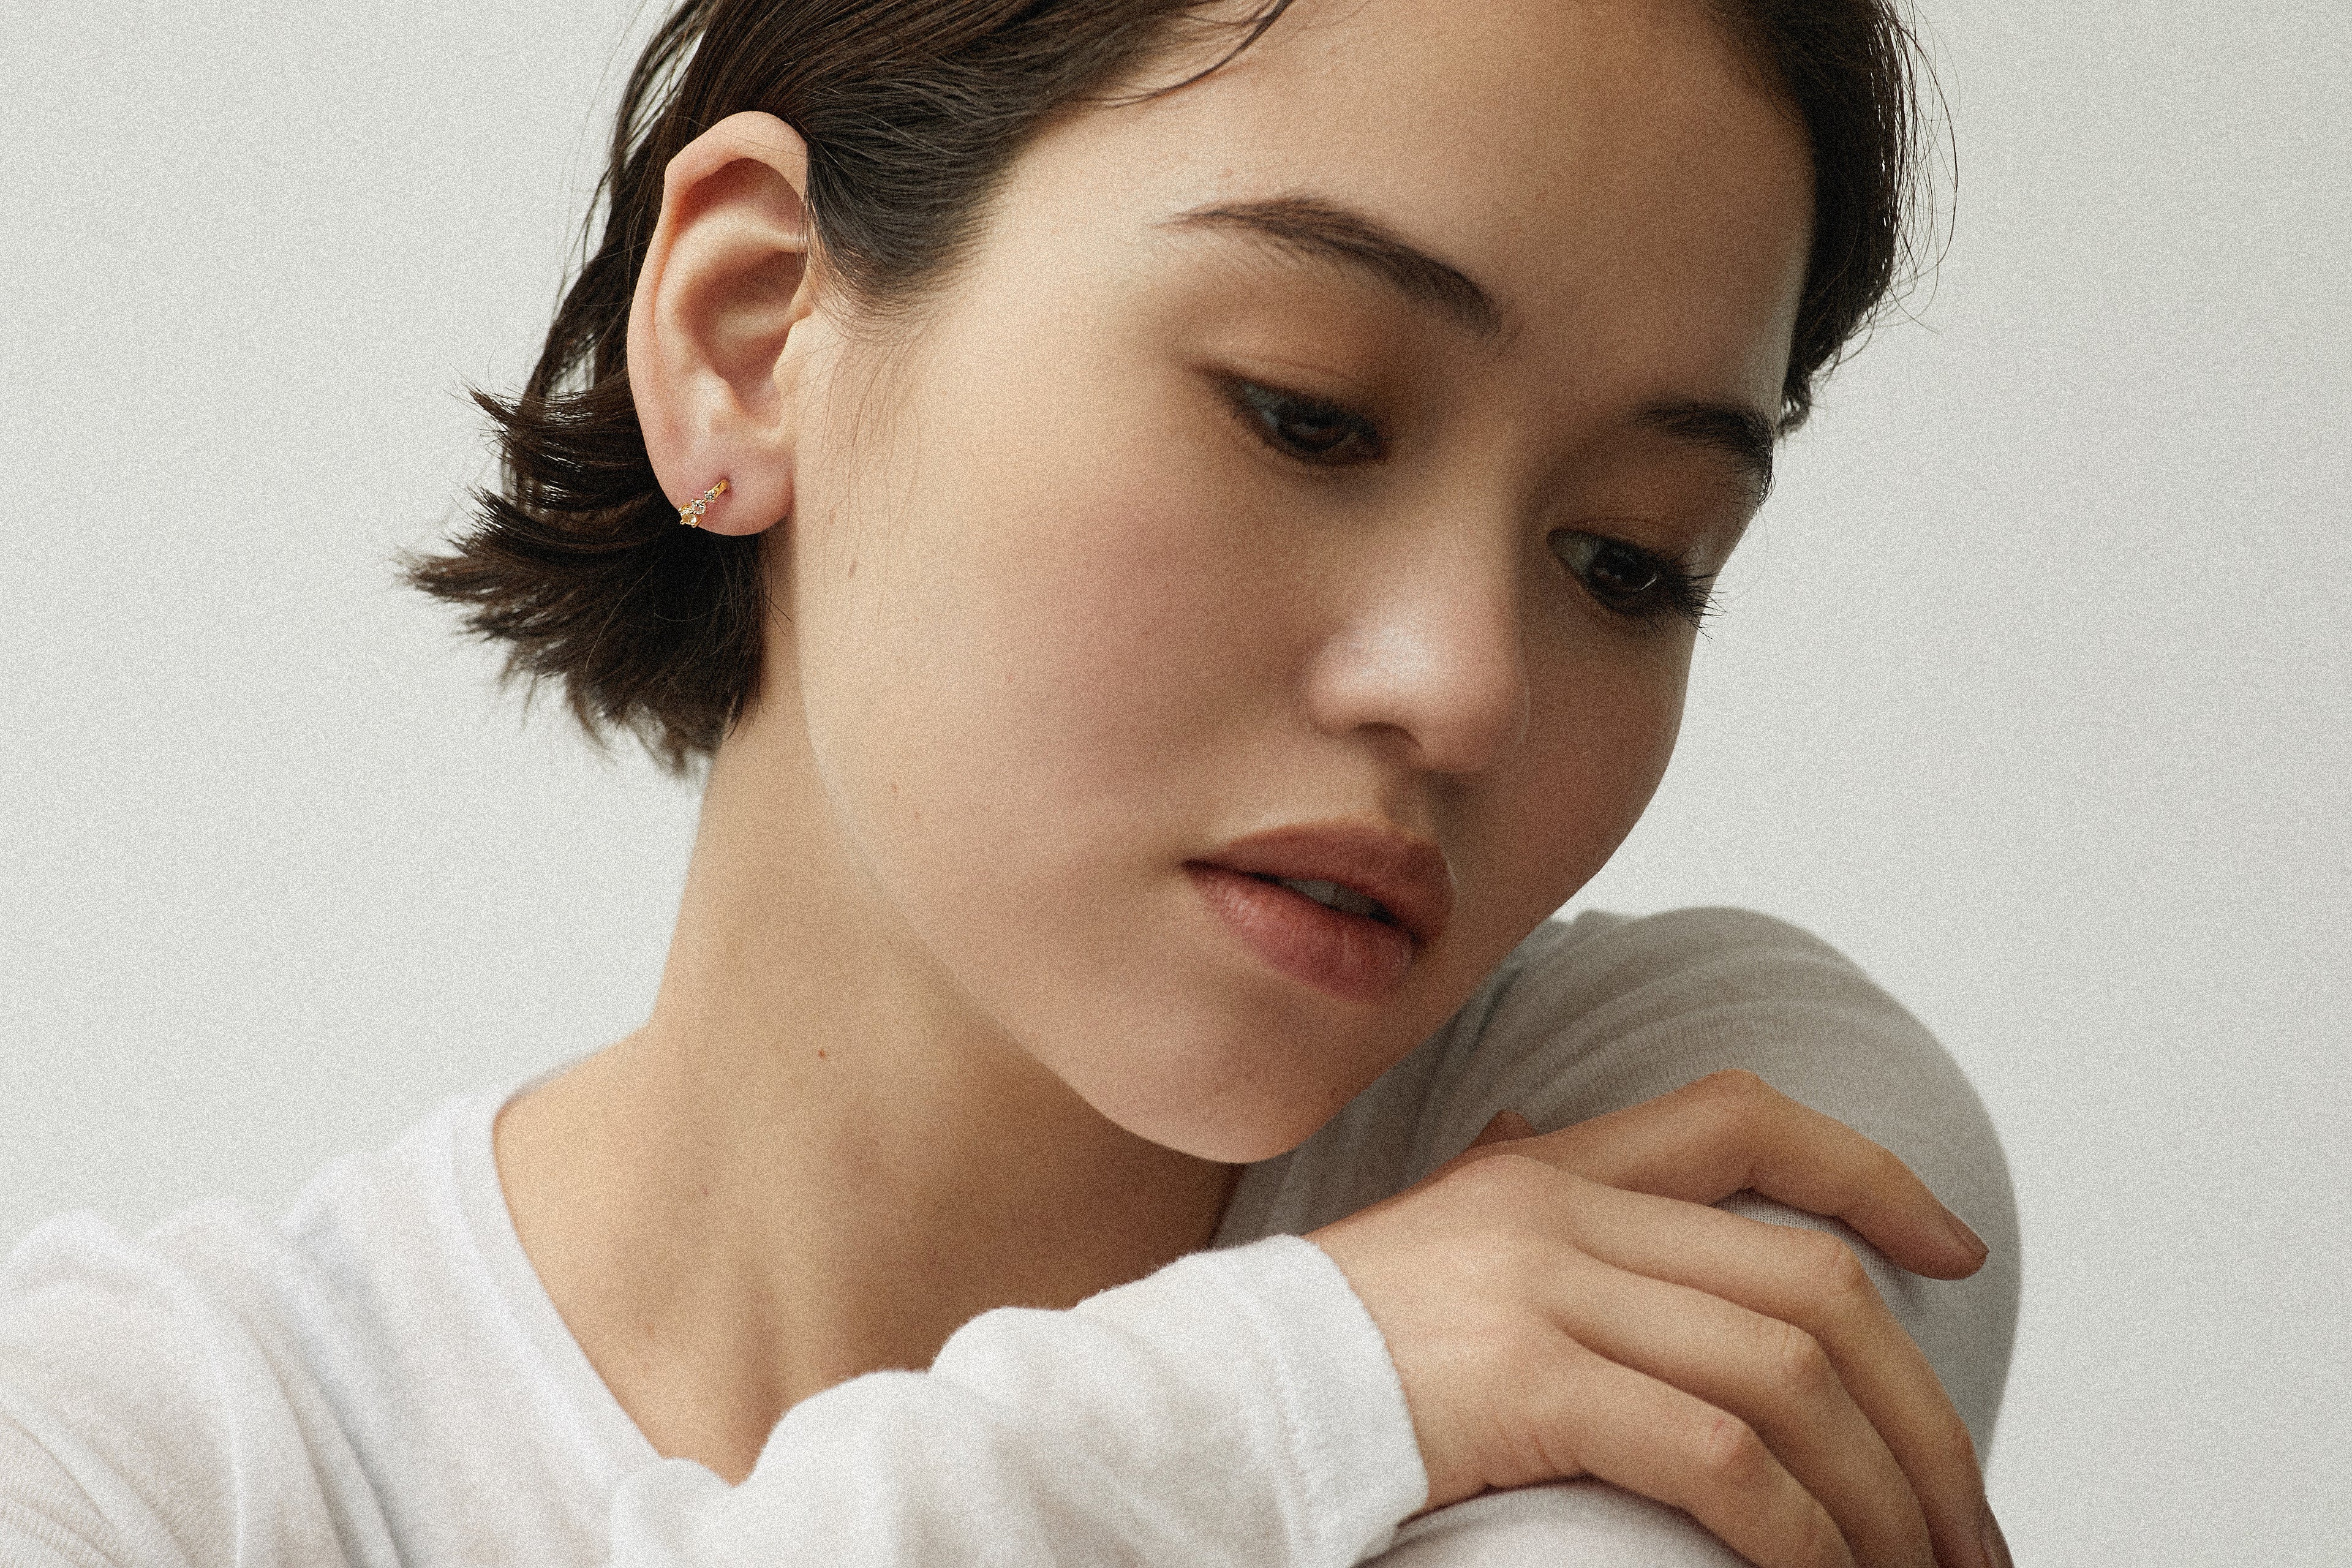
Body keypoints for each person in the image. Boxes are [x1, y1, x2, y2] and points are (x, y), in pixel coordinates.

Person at [0, 1, 2019, 1565]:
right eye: (1308, 414)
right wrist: (1302, 1393)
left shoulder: (1706, 1133)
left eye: (1631, 562)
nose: (1467, 688)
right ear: (751, 332)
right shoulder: (126, 1464)